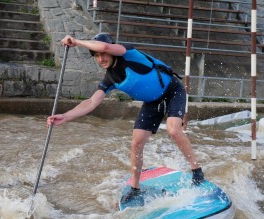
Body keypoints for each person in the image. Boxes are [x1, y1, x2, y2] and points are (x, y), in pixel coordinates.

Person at [47, 33, 205, 202]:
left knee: (173, 129)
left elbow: (105, 46)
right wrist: (65, 116)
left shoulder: (127, 52)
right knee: (136, 142)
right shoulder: (110, 79)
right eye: (97, 56)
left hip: (172, 91)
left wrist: (77, 42)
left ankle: (197, 171)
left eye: (103, 55)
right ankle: (136, 189)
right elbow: (92, 102)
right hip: (152, 102)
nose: (101, 59)